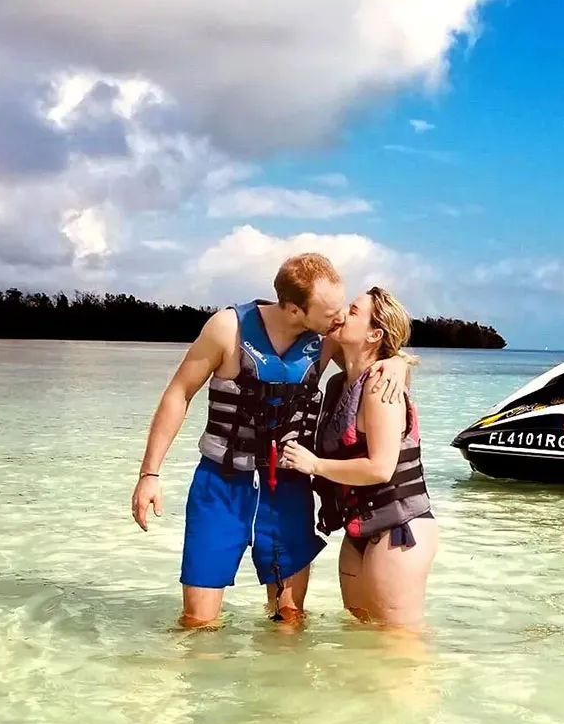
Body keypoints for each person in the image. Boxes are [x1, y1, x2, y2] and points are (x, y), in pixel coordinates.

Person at [130, 254, 407, 629]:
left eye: (343, 308)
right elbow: (179, 393)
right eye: (330, 312)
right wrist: (150, 474)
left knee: (289, 620)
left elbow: (375, 360)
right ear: (294, 309)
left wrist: (398, 363)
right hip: (221, 485)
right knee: (198, 623)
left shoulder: (326, 339)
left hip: (288, 488)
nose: (340, 318)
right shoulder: (228, 328)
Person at [281, 288, 437, 631]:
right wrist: (400, 361)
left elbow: (381, 468)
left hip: (399, 528)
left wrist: (314, 465)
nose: (341, 314)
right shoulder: (344, 382)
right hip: (360, 528)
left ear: (374, 334)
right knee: (359, 635)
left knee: (399, 645)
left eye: (352, 311)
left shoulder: (381, 387)